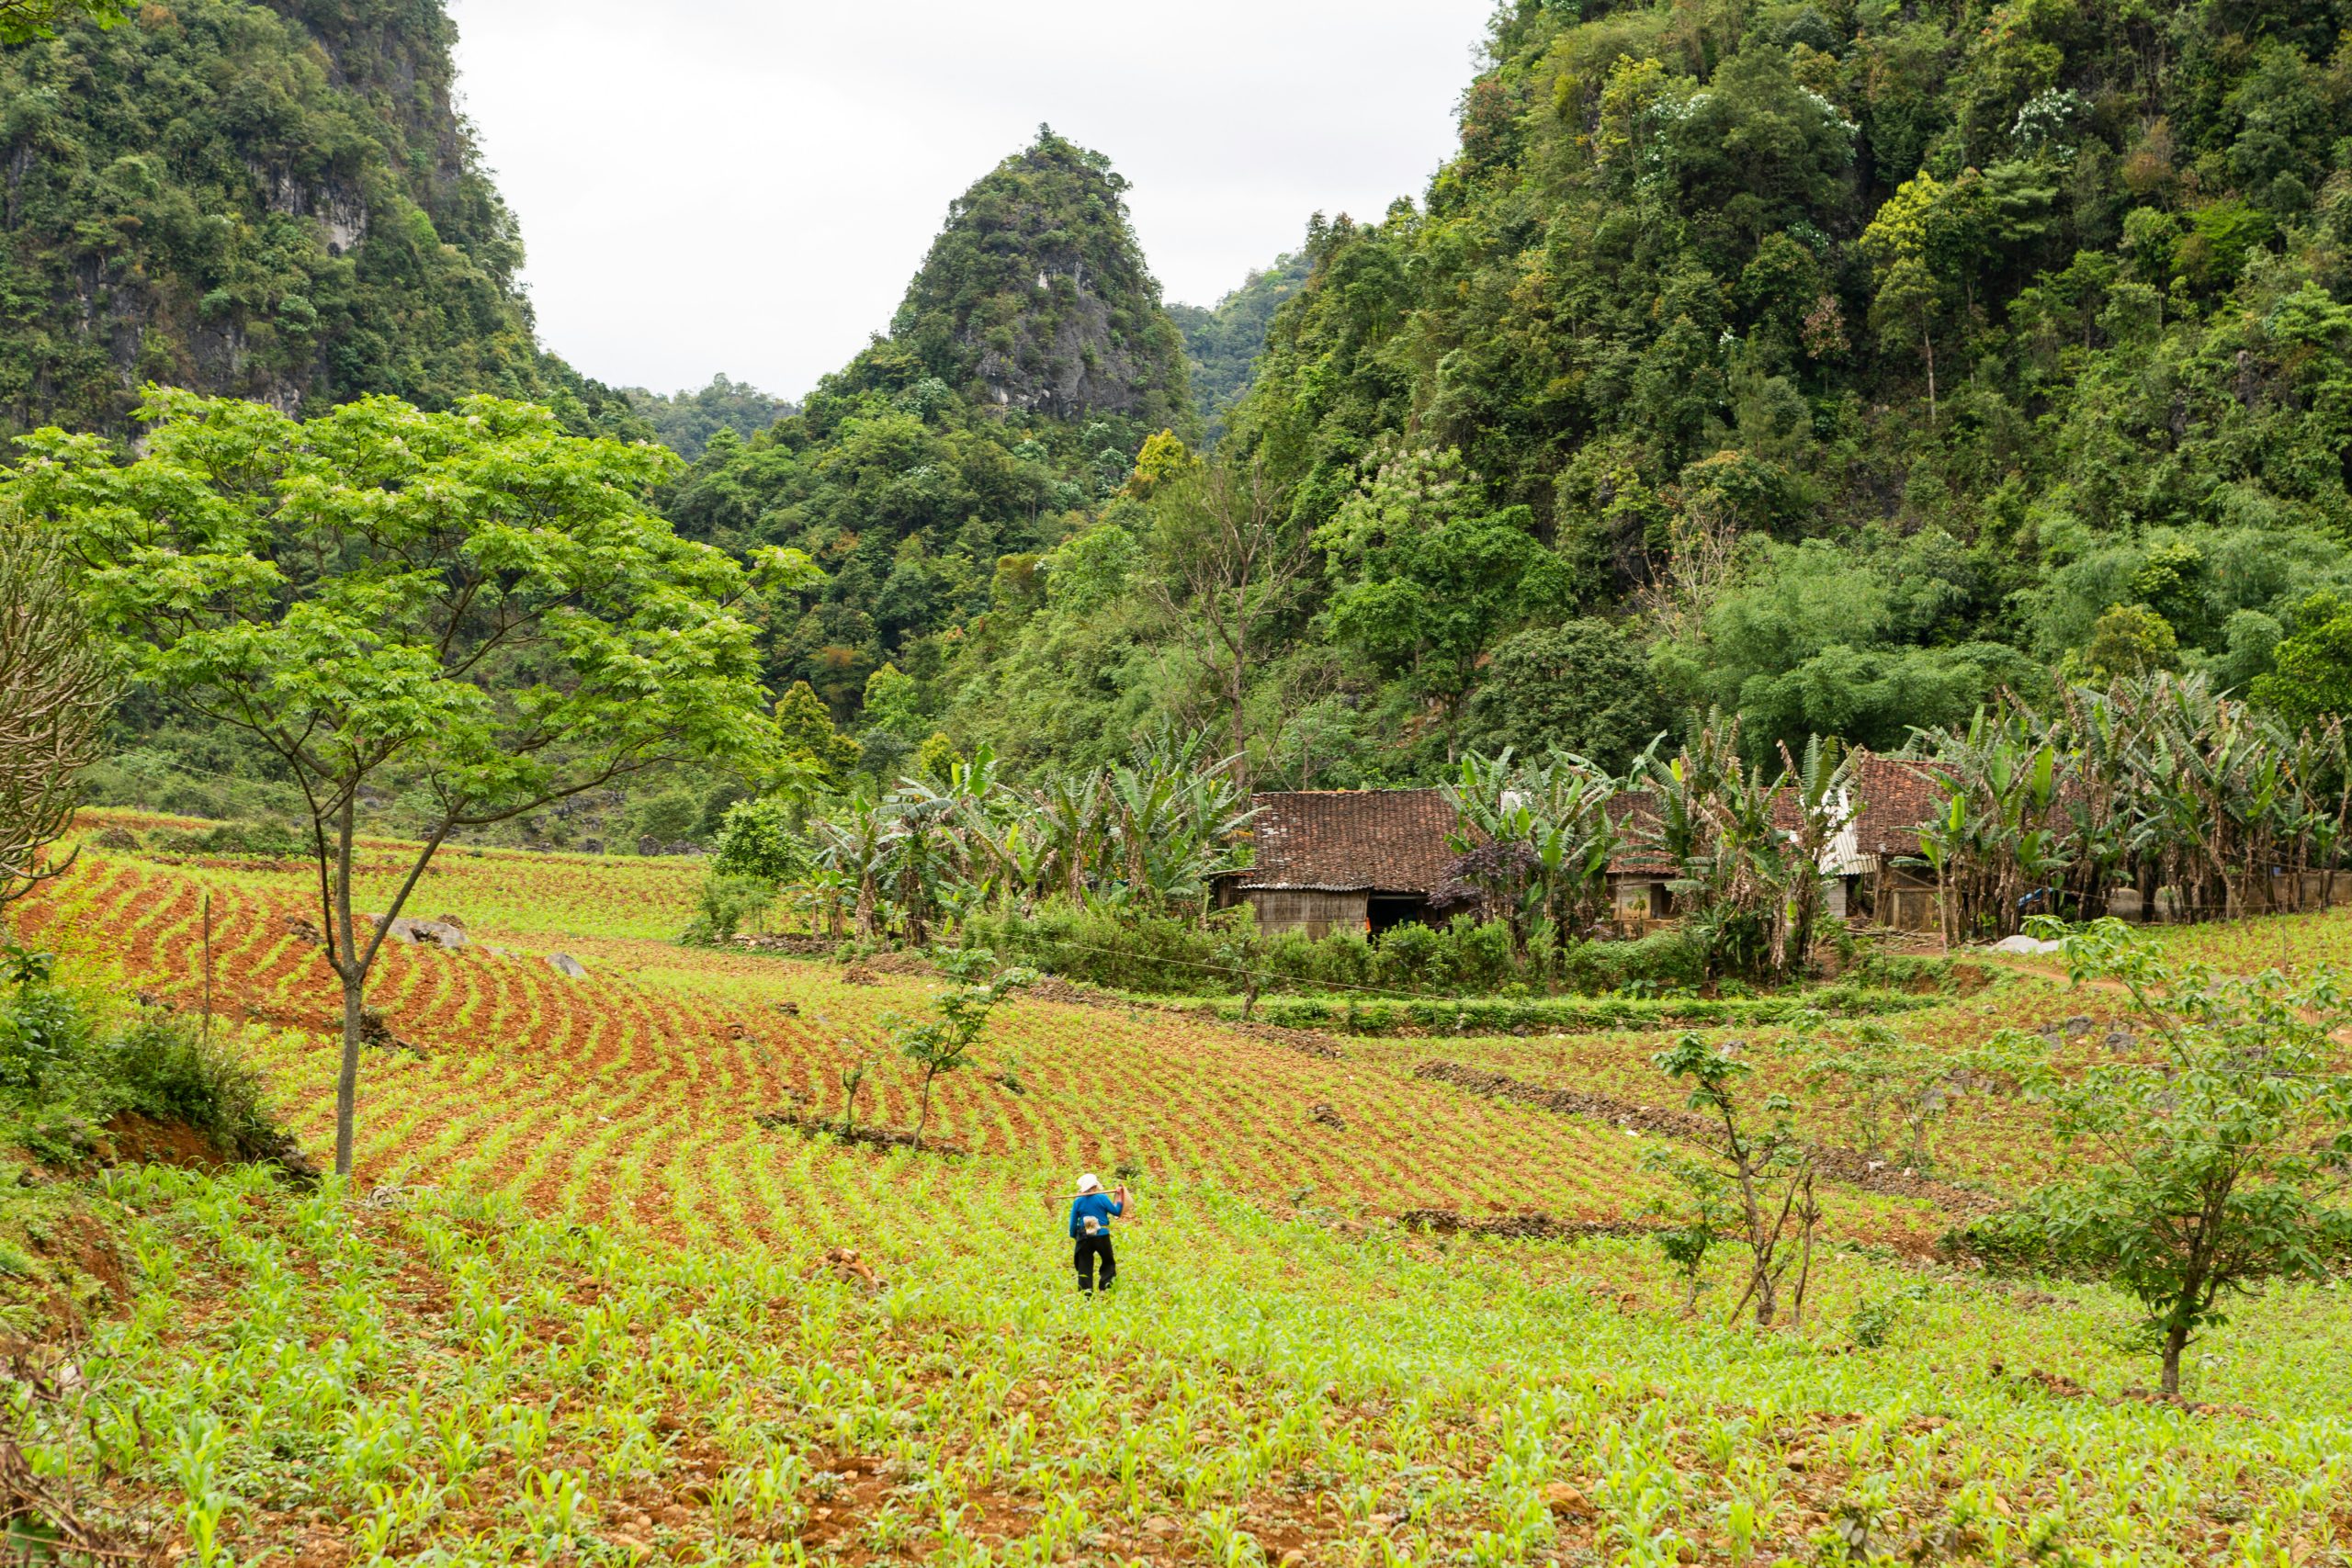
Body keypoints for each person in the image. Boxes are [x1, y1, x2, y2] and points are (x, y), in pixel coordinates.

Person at [1067, 1172, 1128, 1294]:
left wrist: (1075, 1236)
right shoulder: (1102, 1197)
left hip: (1084, 1236)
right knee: (1108, 1261)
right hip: (1102, 1235)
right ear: (1095, 1185)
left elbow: (1073, 1222)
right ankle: (1105, 1288)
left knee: (1085, 1264)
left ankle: (1086, 1293)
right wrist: (1120, 1197)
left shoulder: (1078, 1201)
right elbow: (1116, 1211)